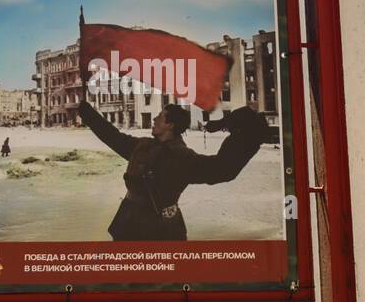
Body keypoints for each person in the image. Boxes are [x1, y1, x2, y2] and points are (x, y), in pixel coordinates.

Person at [77, 97, 272, 241]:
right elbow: (111, 136)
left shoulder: (183, 158)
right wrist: (88, 113)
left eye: (159, 117)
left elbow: (221, 169)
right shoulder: (141, 146)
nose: (153, 119)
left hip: (161, 231)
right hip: (128, 224)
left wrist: (243, 128)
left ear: (169, 125)